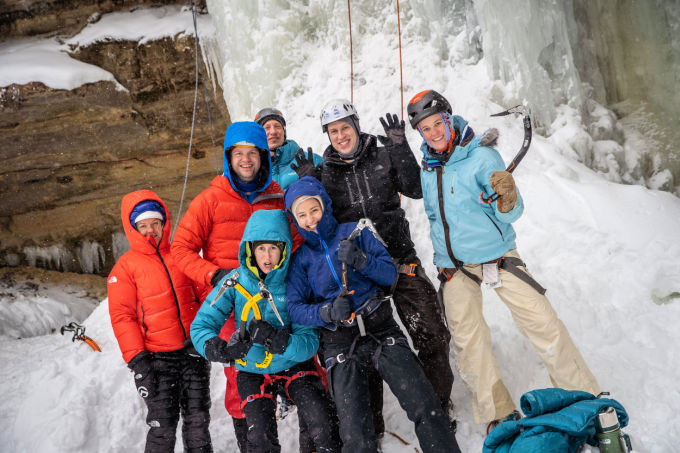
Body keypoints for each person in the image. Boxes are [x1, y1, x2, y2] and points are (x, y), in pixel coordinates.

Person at [406, 89, 600, 431]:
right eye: (426, 129)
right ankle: (498, 413)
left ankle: (583, 398)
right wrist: (441, 259)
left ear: (449, 120)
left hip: (497, 257)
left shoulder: (481, 156)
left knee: (542, 322)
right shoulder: (429, 166)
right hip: (455, 267)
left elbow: (513, 211)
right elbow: (438, 219)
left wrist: (506, 198)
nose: (433, 132)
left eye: (438, 123)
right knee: (468, 341)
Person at [292, 99, 455, 431]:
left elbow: (413, 188)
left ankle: (437, 405)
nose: (340, 136)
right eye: (333, 131)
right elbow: (316, 217)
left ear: (356, 124)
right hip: (356, 269)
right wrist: (310, 181)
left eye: (345, 128)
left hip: (400, 260)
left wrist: (401, 149)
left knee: (432, 333)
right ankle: (373, 422)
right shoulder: (326, 171)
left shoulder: (381, 153)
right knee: (364, 343)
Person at [284, 176, 461, 453]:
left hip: (380, 328)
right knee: (355, 434)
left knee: (426, 405)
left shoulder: (356, 232)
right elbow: (294, 309)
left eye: (314, 210)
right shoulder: (301, 259)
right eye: (302, 215)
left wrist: (361, 261)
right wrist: (326, 311)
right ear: (294, 219)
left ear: (325, 206)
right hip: (340, 342)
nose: (310, 219)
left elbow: (389, 274)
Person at [171, 121, 300, 451]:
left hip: (275, 299)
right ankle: (250, 442)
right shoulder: (211, 199)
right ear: (229, 157)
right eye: (238, 153)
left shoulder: (277, 196)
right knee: (239, 376)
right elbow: (181, 248)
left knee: (287, 361)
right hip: (233, 303)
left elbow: (299, 240)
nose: (246, 160)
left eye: (252, 153)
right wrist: (214, 275)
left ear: (263, 156)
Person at [191, 209, 341, 453]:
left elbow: (310, 340)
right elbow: (201, 324)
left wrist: (279, 340)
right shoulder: (234, 281)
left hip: (293, 363)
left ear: (285, 248)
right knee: (260, 439)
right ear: (250, 249)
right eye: (261, 248)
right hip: (251, 369)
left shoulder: (295, 280)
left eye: (274, 248)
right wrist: (219, 349)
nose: (267, 256)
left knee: (322, 421)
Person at [108, 189, 211, 452]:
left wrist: (203, 336)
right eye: (142, 225)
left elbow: (205, 297)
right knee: (162, 427)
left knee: (198, 422)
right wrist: (139, 360)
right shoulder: (126, 267)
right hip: (157, 360)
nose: (150, 230)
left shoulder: (181, 255)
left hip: (192, 353)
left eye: (155, 223)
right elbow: (123, 317)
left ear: (164, 222)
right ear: (133, 229)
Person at [254, 107, 324, 189]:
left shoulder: (311, 160)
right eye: (267, 128)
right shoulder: (251, 167)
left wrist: (318, 180)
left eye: (277, 126)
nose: (273, 132)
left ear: (284, 132)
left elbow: (333, 192)